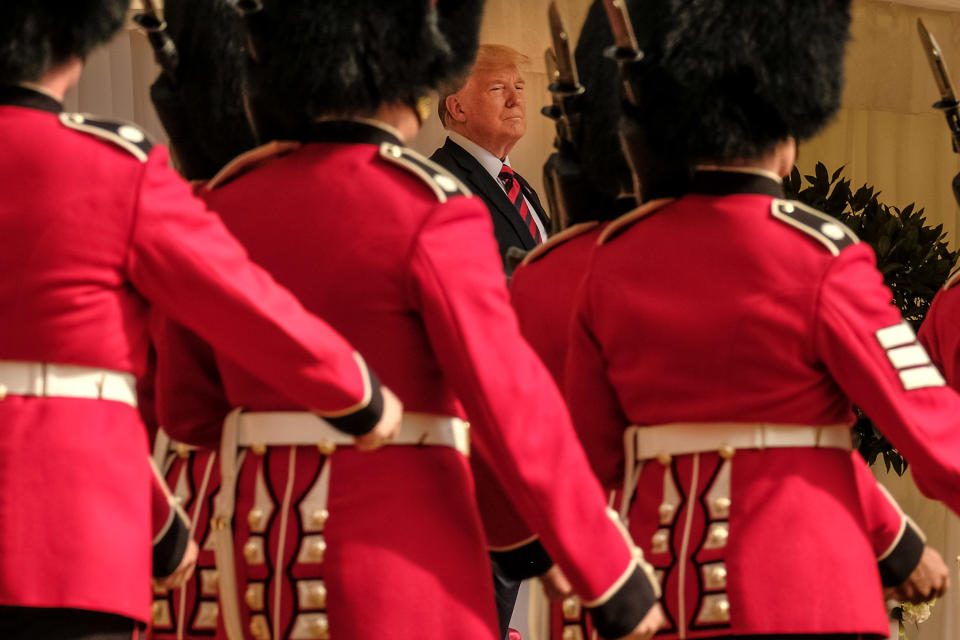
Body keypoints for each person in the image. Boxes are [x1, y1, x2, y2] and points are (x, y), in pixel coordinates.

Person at [154, 1, 666, 639]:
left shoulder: (222, 206)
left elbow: (189, 412)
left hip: (259, 564)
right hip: (402, 562)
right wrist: (597, 566)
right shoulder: (428, 205)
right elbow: (505, 401)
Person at [510, 5, 950, 640]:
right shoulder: (819, 255)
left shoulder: (615, 259)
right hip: (804, 592)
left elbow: (589, 458)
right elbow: (936, 435)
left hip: (663, 594)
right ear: (789, 125)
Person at [0, 2, 401, 638]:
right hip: (67, 535)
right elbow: (235, 300)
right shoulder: (113, 168)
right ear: (73, 46)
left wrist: (159, 520)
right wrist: (355, 390)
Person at [431, 44, 550, 272]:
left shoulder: (519, 185)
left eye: (519, 87)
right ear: (458, 108)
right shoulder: (439, 184)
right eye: (497, 89)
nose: (515, 99)